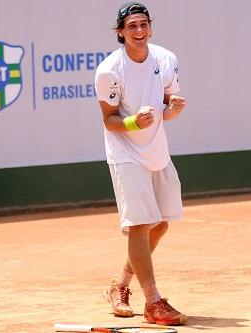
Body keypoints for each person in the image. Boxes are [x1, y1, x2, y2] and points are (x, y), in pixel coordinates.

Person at [94, 2, 187, 326]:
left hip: (156, 150)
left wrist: (172, 108)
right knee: (139, 225)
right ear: (120, 32)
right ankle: (153, 302)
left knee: (160, 224)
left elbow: (167, 104)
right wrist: (133, 122)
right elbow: (109, 120)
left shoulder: (166, 59)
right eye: (132, 26)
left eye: (143, 24)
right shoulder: (109, 71)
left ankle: (120, 286)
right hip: (125, 152)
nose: (139, 31)